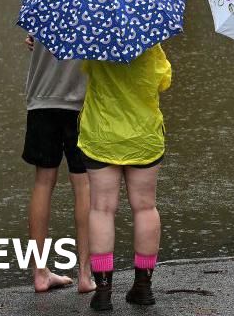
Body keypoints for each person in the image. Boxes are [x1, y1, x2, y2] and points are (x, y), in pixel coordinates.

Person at [22, 0, 94, 294]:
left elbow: (33, 37)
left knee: (42, 183)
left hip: (41, 101)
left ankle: (40, 272)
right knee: (83, 187)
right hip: (81, 105)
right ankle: (85, 275)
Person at [83, 44, 172, 312]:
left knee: (101, 209)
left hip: (101, 136)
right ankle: (143, 287)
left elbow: (86, 71)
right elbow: (164, 80)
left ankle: (103, 290)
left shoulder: (94, 41)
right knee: (145, 207)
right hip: (143, 137)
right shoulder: (150, 43)